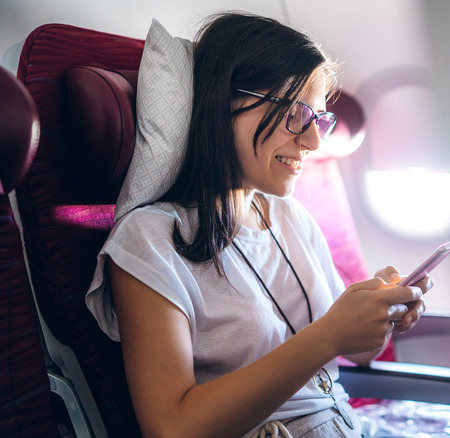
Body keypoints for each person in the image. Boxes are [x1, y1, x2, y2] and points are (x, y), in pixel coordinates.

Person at [85, 12, 430, 438]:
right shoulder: (150, 241)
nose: (314, 140)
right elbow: (171, 427)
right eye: (296, 113)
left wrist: (378, 312)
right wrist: (326, 337)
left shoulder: (292, 218)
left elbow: (354, 351)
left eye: (319, 119)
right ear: (222, 103)